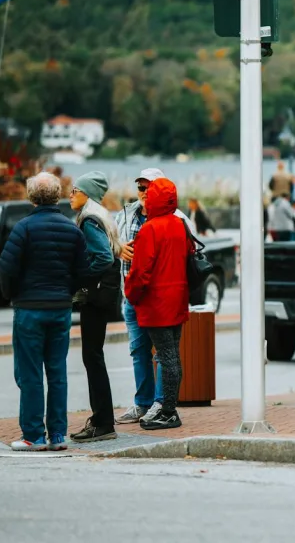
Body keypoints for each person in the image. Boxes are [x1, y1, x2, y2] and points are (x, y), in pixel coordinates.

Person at [0, 172, 89, 452]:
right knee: (57, 371)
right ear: (57, 195)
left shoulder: (23, 228)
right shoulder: (72, 230)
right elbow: (82, 272)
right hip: (60, 308)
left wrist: (11, 294)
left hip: (29, 308)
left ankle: (34, 435)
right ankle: (58, 434)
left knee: (30, 374)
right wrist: (65, 291)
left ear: (32, 196)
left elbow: (7, 269)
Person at [114, 168, 193, 426]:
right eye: (141, 188)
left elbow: (140, 273)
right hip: (176, 300)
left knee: (164, 356)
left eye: (150, 189)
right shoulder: (179, 224)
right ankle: (161, 406)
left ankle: (165, 409)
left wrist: (131, 294)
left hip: (153, 304)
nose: (145, 194)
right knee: (169, 356)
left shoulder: (150, 229)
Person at [69, 171, 123, 443]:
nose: (70, 195)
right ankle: (102, 419)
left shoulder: (90, 220)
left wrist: (82, 277)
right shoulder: (101, 215)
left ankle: (102, 422)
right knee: (94, 357)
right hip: (105, 297)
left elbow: (103, 257)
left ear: (87, 194)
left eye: (75, 190)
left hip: (95, 297)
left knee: (92, 358)